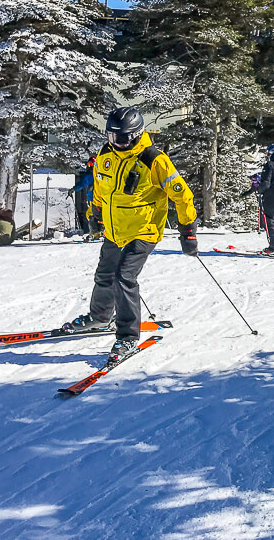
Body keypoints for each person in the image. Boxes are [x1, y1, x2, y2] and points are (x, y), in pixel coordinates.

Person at [61, 107, 198, 367]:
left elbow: (182, 194)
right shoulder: (105, 154)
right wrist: (96, 214)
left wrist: (187, 230)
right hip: (115, 230)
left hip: (143, 230)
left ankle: (127, 335)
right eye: (112, 137)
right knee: (104, 275)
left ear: (136, 135)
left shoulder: (153, 159)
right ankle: (100, 316)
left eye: (122, 139)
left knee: (124, 277)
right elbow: (101, 187)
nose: (117, 143)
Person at [69, 157, 95, 234]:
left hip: (97, 199)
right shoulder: (90, 175)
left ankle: (96, 233)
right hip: (93, 198)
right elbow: (82, 184)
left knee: (92, 215)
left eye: (92, 164)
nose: (90, 166)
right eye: (89, 164)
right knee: (92, 215)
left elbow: (83, 184)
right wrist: (74, 189)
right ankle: (96, 233)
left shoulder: (94, 175)